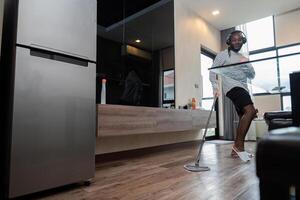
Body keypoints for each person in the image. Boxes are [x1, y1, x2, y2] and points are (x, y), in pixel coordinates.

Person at [209, 30, 258, 161]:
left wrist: (246, 63)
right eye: (234, 39)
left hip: (243, 88)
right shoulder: (223, 55)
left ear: (243, 41)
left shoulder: (243, 57)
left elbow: (252, 75)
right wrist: (215, 87)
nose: (237, 42)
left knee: (244, 116)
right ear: (229, 41)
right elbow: (212, 72)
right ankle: (239, 148)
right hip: (232, 87)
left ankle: (235, 150)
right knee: (251, 111)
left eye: (240, 39)